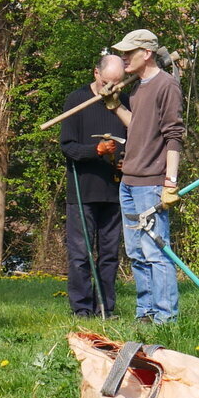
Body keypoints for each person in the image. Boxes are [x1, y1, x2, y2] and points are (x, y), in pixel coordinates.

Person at [107, 28, 185, 324]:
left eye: (129, 52)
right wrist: (115, 108)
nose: (124, 57)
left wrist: (170, 182)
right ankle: (146, 312)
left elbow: (174, 136)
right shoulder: (138, 88)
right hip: (129, 180)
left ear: (147, 53)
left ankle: (166, 318)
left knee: (156, 252)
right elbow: (137, 126)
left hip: (152, 182)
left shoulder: (167, 86)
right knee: (137, 252)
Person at [58, 54, 129, 316]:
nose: (112, 89)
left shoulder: (124, 103)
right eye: (108, 82)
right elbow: (68, 147)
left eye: (118, 83)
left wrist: (125, 160)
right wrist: (96, 150)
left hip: (115, 190)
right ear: (96, 74)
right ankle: (81, 310)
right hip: (83, 190)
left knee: (109, 255)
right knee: (81, 255)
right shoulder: (76, 101)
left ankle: (106, 309)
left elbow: (135, 140)